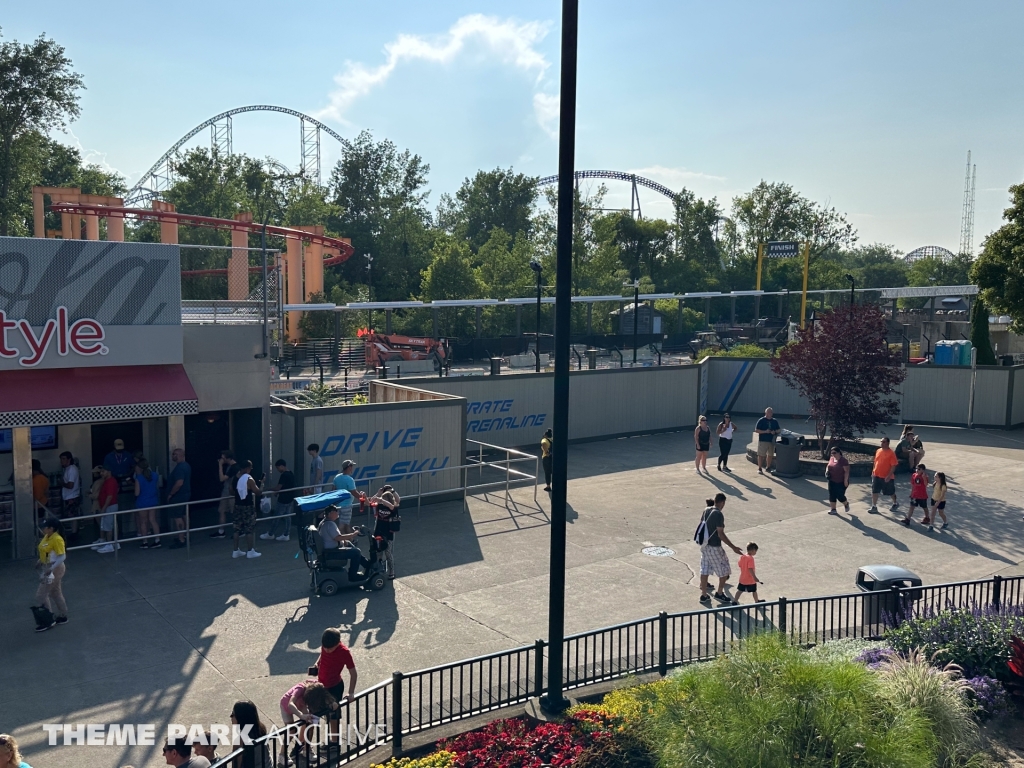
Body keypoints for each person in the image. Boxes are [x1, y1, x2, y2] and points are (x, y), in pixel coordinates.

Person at [697, 493, 743, 604]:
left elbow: (701, 525)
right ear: (722, 502)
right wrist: (733, 547)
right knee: (725, 571)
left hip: (704, 545)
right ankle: (719, 593)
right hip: (714, 547)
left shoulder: (706, 510)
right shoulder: (718, 514)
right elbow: (720, 534)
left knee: (705, 569)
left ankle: (704, 595)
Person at [278, 680, 337, 760]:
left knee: (310, 724)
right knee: (292, 731)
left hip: (301, 704)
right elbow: (290, 704)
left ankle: (307, 749)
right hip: (286, 705)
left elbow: (325, 694)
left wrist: (332, 702)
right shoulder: (299, 689)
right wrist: (301, 715)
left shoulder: (318, 687)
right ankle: (282, 754)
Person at [33, 518, 68, 631]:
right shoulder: (47, 536)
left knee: (41, 594)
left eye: (44, 527)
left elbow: (62, 556)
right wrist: (40, 561)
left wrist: (51, 569)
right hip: (49, 567)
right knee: (55, 592)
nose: (42, 529)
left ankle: (48, 620)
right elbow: (46, 552)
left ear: (51, 529)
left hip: (54, 569)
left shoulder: (57, 539)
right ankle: (63, 615)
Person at [318, 506, 368, 579]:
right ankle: (353, 575)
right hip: (332, 553)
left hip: (329, 551)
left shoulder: (324, 522)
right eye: (335, 511)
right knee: (356, 552)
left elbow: (335, 537)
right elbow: (338, 537)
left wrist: (344, 541)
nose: (338, 513)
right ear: (330, 513)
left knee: (352, 546)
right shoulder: (330, 524)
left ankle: (367, 565)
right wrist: (353, 534)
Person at [314, 628, 358, 704]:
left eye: (330, 649)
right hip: (321, 684)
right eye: (325, 647)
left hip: (334, 687)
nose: (327, 650)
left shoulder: (344, 652)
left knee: (333, 712)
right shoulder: (326, 644)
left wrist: (351, 693)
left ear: (338, 643)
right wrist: (317, 663)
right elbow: (322, 654)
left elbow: (353, 674)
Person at [232, 460, 261, 559]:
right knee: (249, 528)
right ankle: (250, 551)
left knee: (236, 528)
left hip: (237, 505)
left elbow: (231, 490)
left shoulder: (236, 478)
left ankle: (235, 550)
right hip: (247, 505)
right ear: (247, 468)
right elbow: (257, 492)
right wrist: (262, 485)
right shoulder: (249, 479)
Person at [262, 459, 297, 541]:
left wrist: (269, 489)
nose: (278, 470)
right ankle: (286, 533)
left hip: (283, 499)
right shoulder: (291, 474)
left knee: (277, 516)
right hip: (290, 498)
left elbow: (278, 487)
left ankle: (271, 533)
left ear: (282, 466)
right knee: (287, 516)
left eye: (278, 468)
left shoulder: (284, 475)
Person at [228, 701, 269, 768]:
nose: (230, 717)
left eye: (233, 714)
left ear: (241, 718)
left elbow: (236, 765)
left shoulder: (240, 739)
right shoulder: (261, 728)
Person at [371, 485, 400, 579]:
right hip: (378, 530)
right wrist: (378, 493)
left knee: (388, 552)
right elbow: (372, 501)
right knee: (378, 551)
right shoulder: (379, 506)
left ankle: (391, 571)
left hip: (389, 532)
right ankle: (379, 567)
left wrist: (391, 492)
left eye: (384, 499)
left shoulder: (394, 508)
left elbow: (392, 505)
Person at [166, 448, 191, 549]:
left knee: (178, 517)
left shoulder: (180, 468)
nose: (173, 456)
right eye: (173, 454)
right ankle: (186, 535)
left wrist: (171, 494)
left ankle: (181, 539)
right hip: (185, 494)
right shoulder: (186, 466)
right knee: (184, 515)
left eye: (175, 454)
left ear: (181, 455)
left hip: (178, 496)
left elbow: (179, 483)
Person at [134, 458, 161, 548]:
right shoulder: (155, 475)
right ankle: (157, 540)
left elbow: (137, 493)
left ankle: (145, 542)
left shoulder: (139, 478)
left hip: (142, 502)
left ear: (140, 468)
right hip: (153, 501)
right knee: (153, 520)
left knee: (143, 522)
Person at [93, 466, 120, 553]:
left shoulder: (110, 481)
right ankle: (106, 542)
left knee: (108, 526)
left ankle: (109, 544)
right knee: (105, 525)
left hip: (110, 506)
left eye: (103, 471)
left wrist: (104, 508)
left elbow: (109, 496)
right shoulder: (107, 481)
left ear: (109, 471)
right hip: (107, 506)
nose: (101, 473)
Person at [869, 437, 899, 514]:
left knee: (890, 492)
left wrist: (889, 476)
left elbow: (893, 466)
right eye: (881, 442)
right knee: (874, 491)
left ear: (888, 443)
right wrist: (873, 472)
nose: (882, 443)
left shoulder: (891, 453)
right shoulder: (878, 451)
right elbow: (875, 462)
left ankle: (895, 503)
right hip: (877, 475)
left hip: (887, 477)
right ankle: (874, 506)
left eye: (884, 442)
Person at [213, 450, 238, 540]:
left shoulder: (234, 468)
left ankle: (238, 530)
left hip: (232, 492)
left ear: (228, 458)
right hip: (226, 491)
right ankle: (221, 531)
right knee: (222, 510)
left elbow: (222, 478)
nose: (222, 460)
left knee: (234, 512)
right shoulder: (230, 467)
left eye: (223, 458)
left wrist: (220, 465)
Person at [59, 451, 81, 538]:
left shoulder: (71, 469)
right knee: (72, 515)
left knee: (72, 516)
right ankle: (73, 532)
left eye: (63, 459)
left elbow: (70, 485)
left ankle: (74, 533)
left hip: (72, 496)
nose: (61, 461)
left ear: (69, 459)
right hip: (69, 496)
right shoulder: (68, 469)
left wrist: (62, 483)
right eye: (61, 459)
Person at [331, 459, 358, 528]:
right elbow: (354, 492)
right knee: (344, 525)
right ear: (349, 467)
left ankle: (345, 538)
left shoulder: (337, 477)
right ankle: (342, 538)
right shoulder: (349, 479)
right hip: (347, 506)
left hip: (338, 505)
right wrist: (364, 498)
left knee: (341, 524)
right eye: (352, 466)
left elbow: (333, 490)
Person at [902, 463, 930, 527]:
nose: (917, 470)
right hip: (915, 495)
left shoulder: (925, 476)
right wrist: (911, 493)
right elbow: (913, 485)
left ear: (923, 470)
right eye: (916, 468)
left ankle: (927, 517)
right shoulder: (914, 475)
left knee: (924, 507)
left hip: (922, 495)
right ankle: (908, 519)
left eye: (919, 469)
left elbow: (926, 484)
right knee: (912, 506)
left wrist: (924, 477)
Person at [754, 407, 781, 475]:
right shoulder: (761, 420)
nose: (770, 413)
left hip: (771, 441)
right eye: (768, 412)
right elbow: (756, 430)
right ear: (765, 413)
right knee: (761, 455)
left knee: (770, 455)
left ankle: (768, 467)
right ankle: (759, 468)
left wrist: (774, 432)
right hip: (763, 440)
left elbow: (779, 430)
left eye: (771, 412)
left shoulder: (775, 421)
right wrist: (765, 431)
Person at [825, 447, 851, 515]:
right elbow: (828, 466)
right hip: (831, 480)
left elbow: (847, 471)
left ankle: (846, 504)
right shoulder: (831, 458)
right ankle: (833, 509)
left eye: (834, 453)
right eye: (832, 453)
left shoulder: (843, 461)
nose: (833, 454)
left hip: (841, 481)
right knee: (832, 495)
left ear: (839, 452)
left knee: (840, 496)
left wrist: (845, 481)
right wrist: (826, 471)